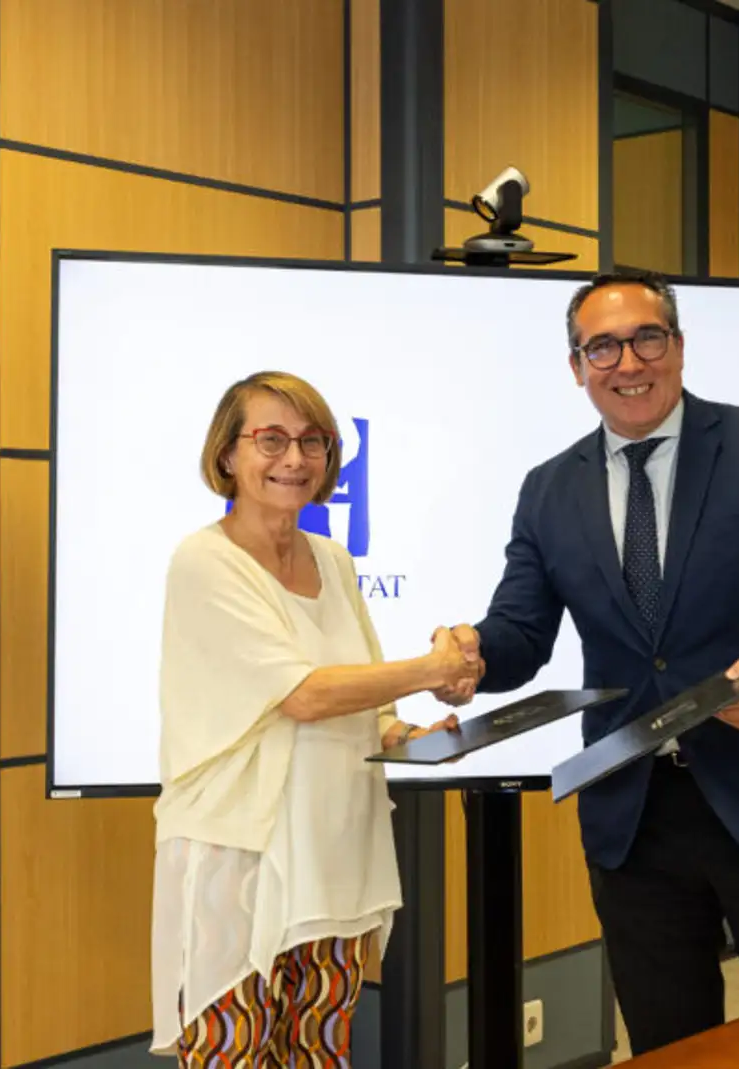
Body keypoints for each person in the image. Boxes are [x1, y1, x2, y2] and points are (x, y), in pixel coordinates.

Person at [438, 270, 739, 1054]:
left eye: (647, 337)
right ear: (577, 366)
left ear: (678, 347)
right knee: (667, 1046)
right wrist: (473, 653)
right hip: (633, 818)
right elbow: (523, 632)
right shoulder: (549, 489)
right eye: (602, 347)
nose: (628, 361)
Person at [150, 371, 468, 1066]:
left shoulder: (333, 558)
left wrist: (408, 734)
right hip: (238, 859)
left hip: (333, 853)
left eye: (311, 441)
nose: (294, 458)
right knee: (230, 1053)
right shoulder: (204, 560)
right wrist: (433, 666)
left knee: (319, 1052)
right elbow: (304, 694)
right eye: (271, 439)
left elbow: (372, 704)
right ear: (227, 454)